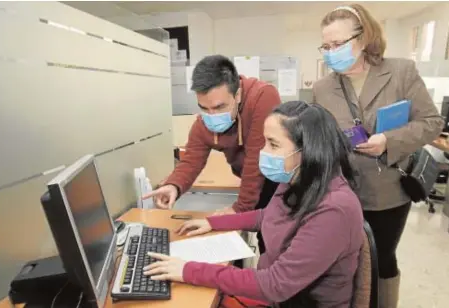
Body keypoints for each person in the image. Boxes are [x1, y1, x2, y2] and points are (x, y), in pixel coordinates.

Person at [142, 101, 364, 308]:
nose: (263, 152)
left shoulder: (334, 211)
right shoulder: (299, 178)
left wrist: (188, 270)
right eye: (264, 141)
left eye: (273, 144)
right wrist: (214, 222)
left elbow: (274, 284)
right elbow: (267, 216)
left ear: (308, 152)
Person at [313, 4, 444, 308]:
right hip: (341, 192)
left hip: (388, 191)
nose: (331, 52)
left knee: (382, 257)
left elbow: (432, 122)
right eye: (326, 46)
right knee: (346, 261)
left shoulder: (400, 72)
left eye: (338, 44)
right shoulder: (323, 87)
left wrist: (389, 140)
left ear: (363, 38)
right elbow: (320, 136)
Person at [143, 55, 281, 253]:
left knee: (279, 240)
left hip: (280, 180)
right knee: (266, 242)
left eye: (219, 107)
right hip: (254, 182)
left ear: (238, 95)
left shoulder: (262, 96)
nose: (212, 115)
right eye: (204, 108)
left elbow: (255, 159)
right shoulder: (205, 122)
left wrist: (238, 209)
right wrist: (173, 185)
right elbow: (191, 159)